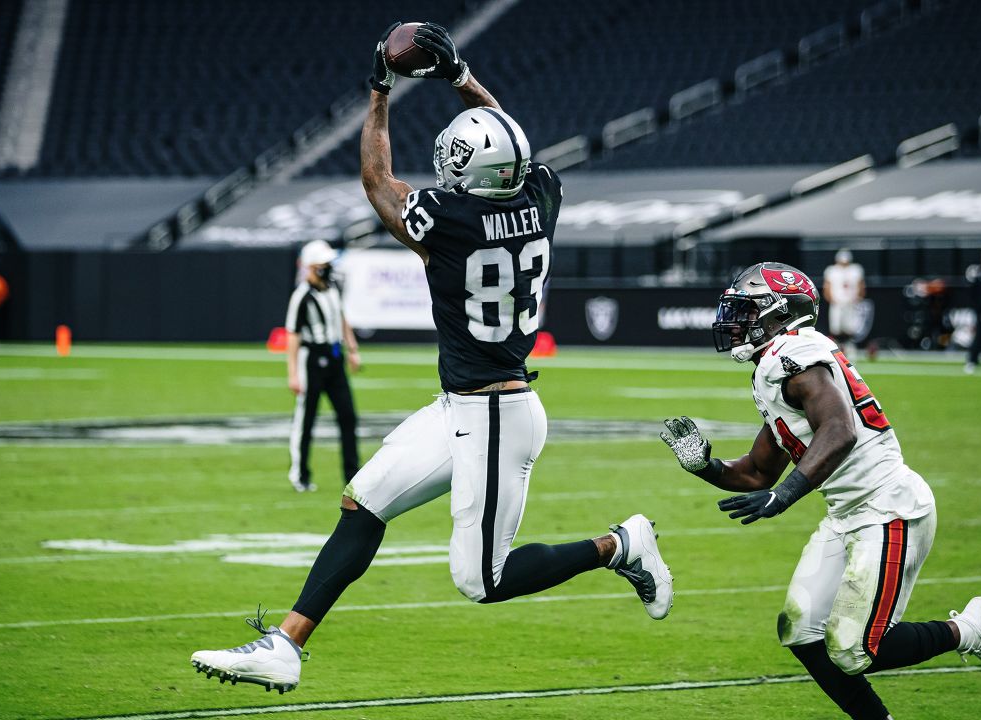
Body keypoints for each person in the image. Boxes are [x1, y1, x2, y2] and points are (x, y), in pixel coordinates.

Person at [190, 22, 672, 694]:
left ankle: (620, 546)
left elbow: (376, 179)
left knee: (483, 580)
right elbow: (510, 137)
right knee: (365, 500)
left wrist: (380, 89)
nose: (446, 169)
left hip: (498, 412)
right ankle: (286, 645)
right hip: (467, 406)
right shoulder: (540, 196)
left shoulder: (451, 221)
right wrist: (460, 77)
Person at [660, 262, 981, 720]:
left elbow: (839, 429)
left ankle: (970, 630)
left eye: (747, 311)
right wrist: (704, 466)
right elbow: (755, 473)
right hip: (848, 512)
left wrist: (787, 495)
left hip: (887, 507)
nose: (736, 321)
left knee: (853, 649)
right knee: (801, 630)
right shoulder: (776, 365)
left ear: (778, 313)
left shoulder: (792, 355)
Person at [284, 239, 361, 492]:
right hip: (312, 359)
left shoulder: (332, 288)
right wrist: (293, 373)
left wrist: (352, 348)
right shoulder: (301, 296)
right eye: (323, 264)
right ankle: (300, 474)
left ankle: (352, 474)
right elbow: (293, 335)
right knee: (306, 419)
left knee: (348, 416)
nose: (328, 268)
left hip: (335, 357)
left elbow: (341, 317)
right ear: (311, 266)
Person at [823, 248, 864, 358]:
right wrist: (831, 299)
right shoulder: (832, 270)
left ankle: (850, 349)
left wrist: (858, 297)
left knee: (850, 328)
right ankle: (837, 349)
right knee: (836, 328)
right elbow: (827, 286)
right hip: (837, 303)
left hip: (851, 303)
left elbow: (861, 284)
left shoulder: (855, 270)